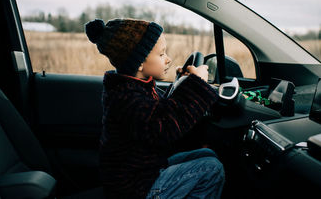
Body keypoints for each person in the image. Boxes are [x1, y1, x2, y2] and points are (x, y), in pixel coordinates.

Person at [85, 18, 225, 199]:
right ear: (140, 63)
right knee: (211, 169)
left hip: (145, 170)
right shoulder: (126, 99)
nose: (168, 59)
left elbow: (157, 113)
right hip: (136, 188)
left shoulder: (132, 86)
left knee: (207, 154)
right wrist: (197, 85)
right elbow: (164, 128)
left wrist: (183, 83)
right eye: (161, 54)